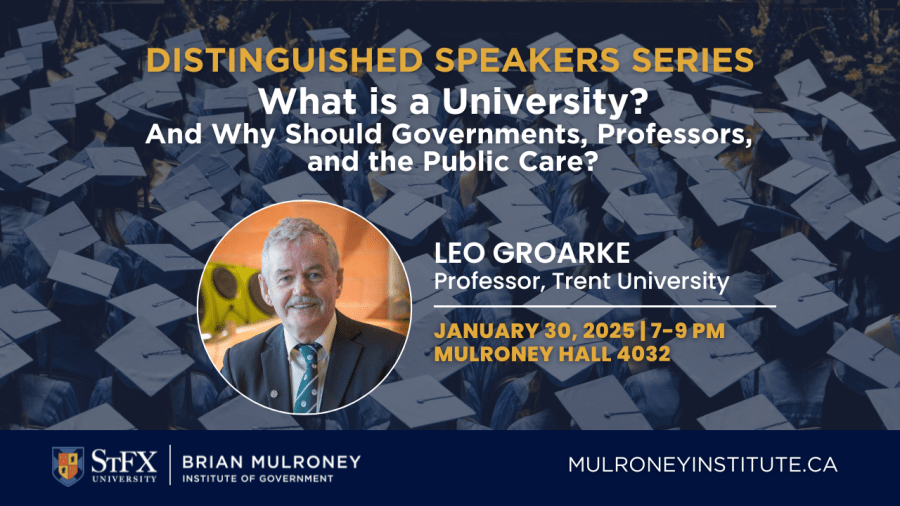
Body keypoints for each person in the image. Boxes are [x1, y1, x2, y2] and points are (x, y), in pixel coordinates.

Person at [220, 217, 405, 413]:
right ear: (265, 289)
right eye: (286, 278)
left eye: (314, 275)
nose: (300, 289)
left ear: (338, 281)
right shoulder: (238, 364)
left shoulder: (392, 354)